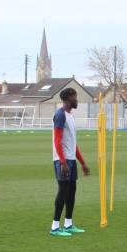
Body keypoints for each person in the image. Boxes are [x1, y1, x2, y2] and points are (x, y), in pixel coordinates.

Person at [50, 88, 90, 237]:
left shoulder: (70, 117)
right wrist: (62, 161)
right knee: (63, 190)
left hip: (70, 159)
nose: (77, 100)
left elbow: (73, 144)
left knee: (71, 190)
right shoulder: (60, 115)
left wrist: (83, 162)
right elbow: (57, 140)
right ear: (68, 98)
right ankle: (54, 227)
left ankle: (68, 224)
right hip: (63, 160)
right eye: (75, 97)